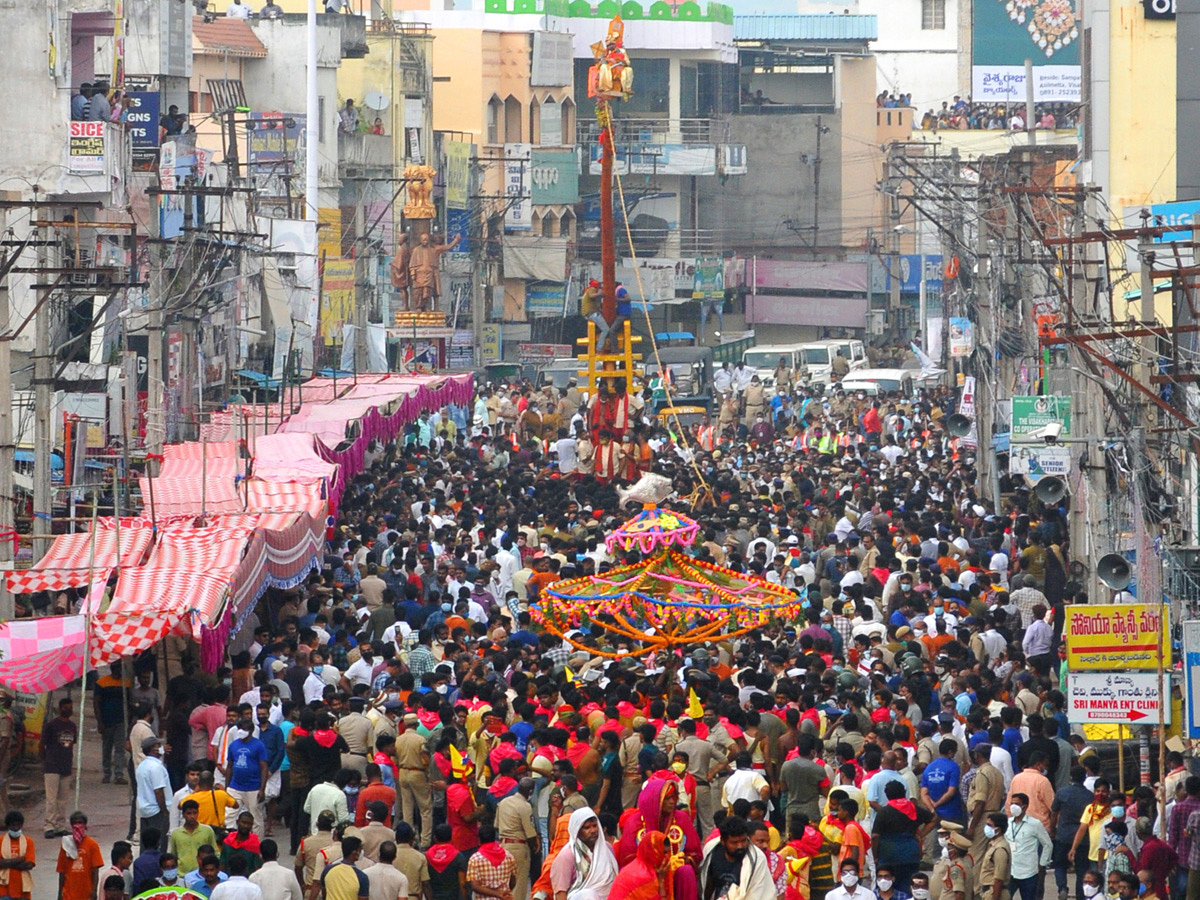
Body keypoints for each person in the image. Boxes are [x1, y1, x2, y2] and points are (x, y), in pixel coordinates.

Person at [616, 779, 701, 900]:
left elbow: (695, 853)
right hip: (645, 873)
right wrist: (652, 867)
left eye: (673, 797)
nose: (672, 802)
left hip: (674, 872)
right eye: (667, 798)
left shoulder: (681, 819)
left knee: (686, 871)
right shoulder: (634, 823)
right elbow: (627, 858)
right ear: (654, 799)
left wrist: (685, 860)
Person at [697, 815, 775, 900]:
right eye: (734, 842)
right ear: (723, 841)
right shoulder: (712, 851)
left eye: (743, 840)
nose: (740, 846)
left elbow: (756, 894)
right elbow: (706, 886)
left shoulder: (757, 859)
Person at [550, 808, 619, 900]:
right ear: (576, 831)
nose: (593, 830)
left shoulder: (607, 848)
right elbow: (560, 892)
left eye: (595, 826)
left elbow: (615, 878)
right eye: (587, 827)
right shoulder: (567, 855)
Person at [40, 696, 77, 839]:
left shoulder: (72, 726)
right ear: (60, 708)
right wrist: (46, 761)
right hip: (52, 766)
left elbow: (72, 745)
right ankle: (49, 826)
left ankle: (60, 826)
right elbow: (41, 745)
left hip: (66, 766)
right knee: (51, 798)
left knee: (63, 799)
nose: (68, 710)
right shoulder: (51, 725)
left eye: (70, 707)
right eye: (66, 707)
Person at [1006, 794, 1052, 900]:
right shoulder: (1008, 823)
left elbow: (1048, 845)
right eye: (1012, 804)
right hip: (1010, 871)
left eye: (1017, 804)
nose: (1013, 807)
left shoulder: (1035, 824)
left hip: (1028, 872)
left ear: (1025, 806)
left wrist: (1042, 864)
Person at [55, 811, 102, 900]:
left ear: (85, 825)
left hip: (86, 894)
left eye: (80, 822)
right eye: (74, 823)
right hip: (68, 894)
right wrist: (60, 892)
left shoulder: (92, 844)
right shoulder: (66, 845)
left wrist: (94, 891)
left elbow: (95, 870)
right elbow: (62, 870)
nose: (77, 825)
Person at [610, 829, 669, 900]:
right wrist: (661, 882)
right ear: (652, 852)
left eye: (667, 853)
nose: (667, 857)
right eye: (663, 853)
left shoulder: (639, 866)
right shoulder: (642, 875)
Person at [136, 736, 172, 851]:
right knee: (159, 844)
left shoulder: (142, 766)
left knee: (146, 844)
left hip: (144, 810)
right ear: (153, 749)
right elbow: (158, 791)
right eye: (158, 746)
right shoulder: (156, 767)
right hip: (156, 811)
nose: (161, 748)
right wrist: (164, 810)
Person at [170, 798, 218, 876]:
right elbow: (173, 855)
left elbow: (215, 852)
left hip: (203, 875)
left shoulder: (207, 830)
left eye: (195, 813)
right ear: (183, 814)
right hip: (182, 875)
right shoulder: (176, 833)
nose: (192, 816)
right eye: (189, 813)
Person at [466, 825, 516, 899]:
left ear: (479, 840)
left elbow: (475, 886)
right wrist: (502, 892)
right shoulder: (509, 856)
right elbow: (513, 881)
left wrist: (496, 894)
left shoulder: (475, 859)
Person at [315, 834, 370, 900]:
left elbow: (324, 893)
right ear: (356, 853)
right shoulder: (361, 877)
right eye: (360, 849)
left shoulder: (328, 869)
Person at [425, 823, 468, 900]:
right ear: (451, 837)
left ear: (435, 838)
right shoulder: (458, 856)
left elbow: (426, 883)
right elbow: (462, 883)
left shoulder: (427, 856)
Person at [0, 811, 35, 900]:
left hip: (22, 890)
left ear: (21, 825)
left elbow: (29, 865)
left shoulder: (28, 841)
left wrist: (7, 862)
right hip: (3, 889)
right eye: (13, 825)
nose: (16, 828)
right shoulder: (1, 841)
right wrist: (20, 859)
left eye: (18, 825)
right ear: (8, 826)